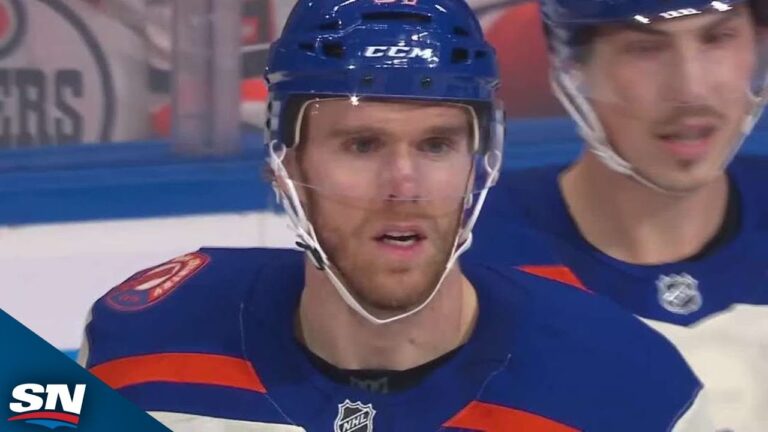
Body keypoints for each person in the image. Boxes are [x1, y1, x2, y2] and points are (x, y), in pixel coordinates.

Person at [78, 0, 711, 430]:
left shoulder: (627, 386)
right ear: (284, 164)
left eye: (436, 145)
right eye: (362, 145)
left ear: (478, 164)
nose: (403, 186)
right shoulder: (142, 343)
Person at [467, 0, 768, 430]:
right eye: (645, 48)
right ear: (573, 67)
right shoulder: (466, 256)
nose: (692, 90)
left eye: (717, 38)